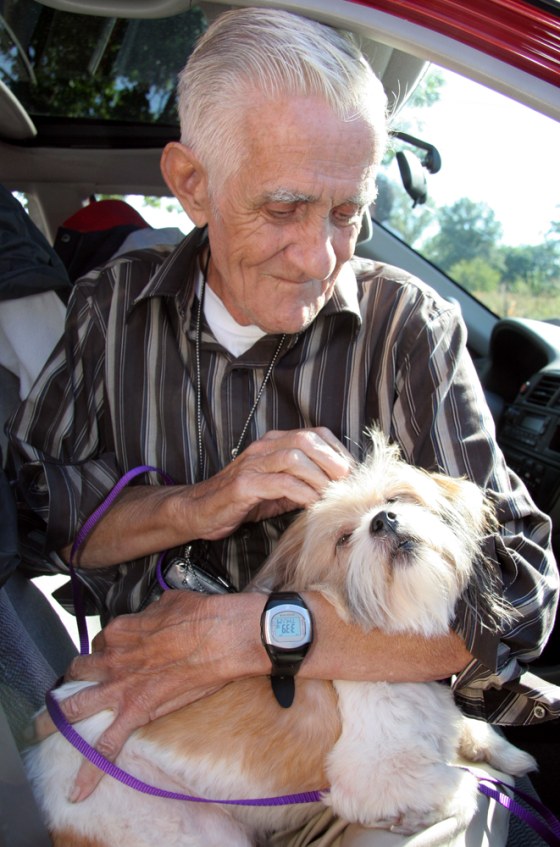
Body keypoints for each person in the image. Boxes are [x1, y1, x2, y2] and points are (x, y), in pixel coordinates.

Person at [7, 8, 559, 846]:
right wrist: (197, 505)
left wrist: (267, 632)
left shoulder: (407, 326)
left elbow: (517, 593)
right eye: (284, 208)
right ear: (192, 181)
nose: (320, 254)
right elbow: (35, 513)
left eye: (348, 212)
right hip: (166, 754)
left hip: (381, 750)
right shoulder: (109, 308)